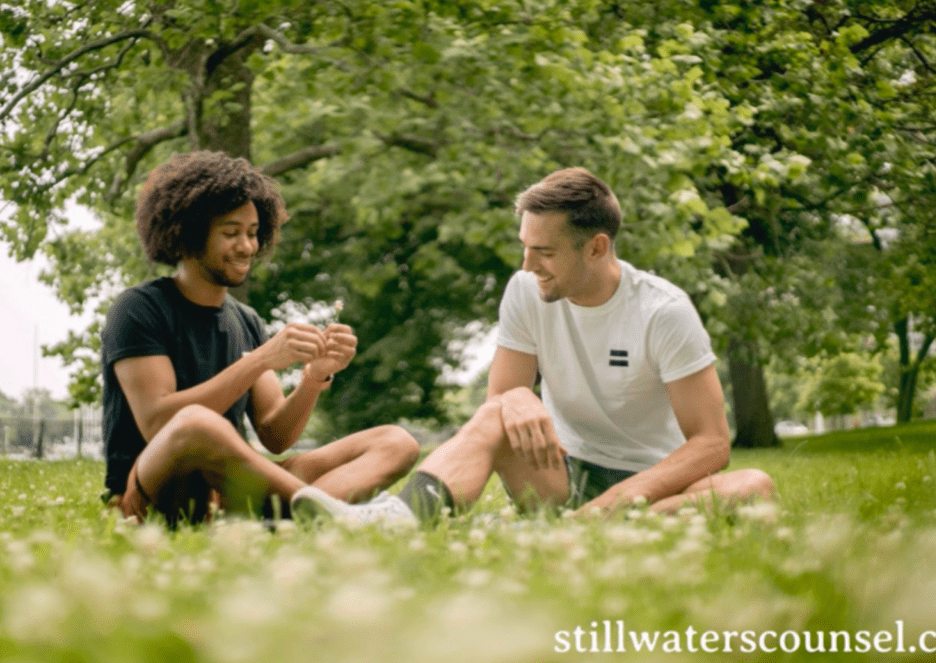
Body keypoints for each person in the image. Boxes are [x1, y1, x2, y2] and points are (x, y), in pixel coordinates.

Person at [295, 168, 774, 525]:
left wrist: (612, 502)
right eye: (525, 246)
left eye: (544, 252)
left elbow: (711, 443)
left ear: (596, 248)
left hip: (655, 480)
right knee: (494, 416)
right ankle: (399, 519)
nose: (527, 265)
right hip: (561, 473)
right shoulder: (525, 290)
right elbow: (498, 405)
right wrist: (517, 398)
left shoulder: (663, 311)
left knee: (754, 487)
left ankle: (597, 526)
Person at [101, 150, 419, 527]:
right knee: (196, 424)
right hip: (154, 493)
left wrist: (314, 377)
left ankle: (300, 514)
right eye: (231, 233)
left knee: (396, 442)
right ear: (187, 235)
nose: (247, 247)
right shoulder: (138, 309)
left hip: (226, 495)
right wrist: (261, 359)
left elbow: (275, 434)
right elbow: (158, 423)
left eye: (253, 233)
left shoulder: (245, 320)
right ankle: (333, 514)